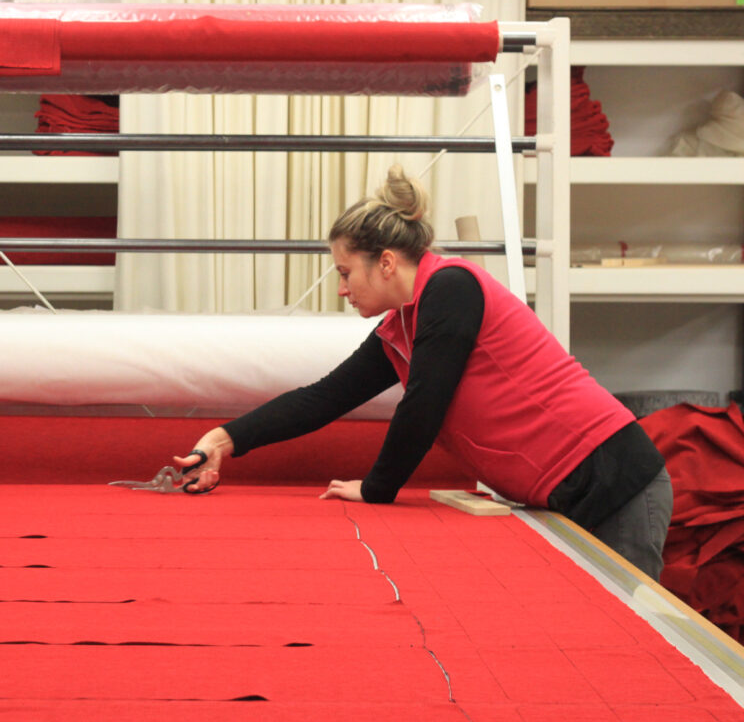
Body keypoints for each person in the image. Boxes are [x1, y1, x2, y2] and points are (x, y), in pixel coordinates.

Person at [178, 165, 673, 580]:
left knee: (637, 649)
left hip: (612, 480)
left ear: (387, 263)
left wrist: (378, 487)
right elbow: (324, 397)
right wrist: (224, 440)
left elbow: (425, 403)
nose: (342, 290)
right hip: (566, 487)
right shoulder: (404, 327)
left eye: (346, 273)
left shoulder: (451, 288)